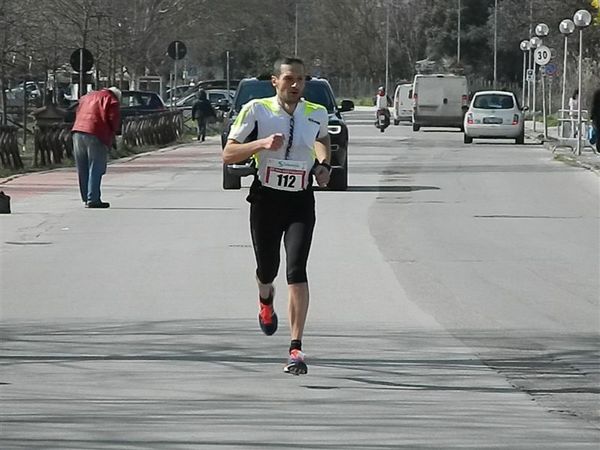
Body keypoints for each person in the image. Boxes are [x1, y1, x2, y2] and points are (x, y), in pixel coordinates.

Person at [223, 57, 331, 375]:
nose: (295, 85)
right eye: (289, 79)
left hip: (300, 199)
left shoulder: (316, 112)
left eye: (300, 80)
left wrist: (323, 165)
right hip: (266, 198)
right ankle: (265, 298)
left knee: (296, 270)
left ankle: (295, 348)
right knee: (267, 268)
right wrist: (261, 144)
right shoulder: (257, 109)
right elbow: (228, 153)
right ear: (275, 81)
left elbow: (322, 139)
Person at [71, 86, 121, 208]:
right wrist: (115, 132)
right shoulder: (111, 99)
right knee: (96, 166)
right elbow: (113, 118)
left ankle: (86, 197)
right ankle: (93, 198)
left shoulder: (87, 97)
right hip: (96, 133)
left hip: (78, 131)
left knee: (82, 167)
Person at [590, 88, 600, 153]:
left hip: (597, 120)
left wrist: (592, 118)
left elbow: (593, 108)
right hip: (597, 119)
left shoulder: (597, 93)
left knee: (598, 133)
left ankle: (598, 145)